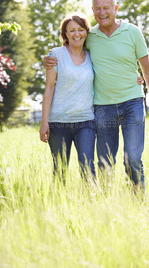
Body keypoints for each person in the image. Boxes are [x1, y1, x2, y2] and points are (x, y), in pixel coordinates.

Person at [43, 0, 149, 191]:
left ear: (115, 8)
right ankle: (103, 205)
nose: (102, 12)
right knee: (103, 163)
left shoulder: (130, 32)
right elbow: (69, 50)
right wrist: (47, 60)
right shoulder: (89, 37)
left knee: (132, 159)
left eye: (106, 7)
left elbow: (144, 69)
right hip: (102, 108)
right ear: (93, 10)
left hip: (127, 105)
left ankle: (138, 203)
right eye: (98, 8)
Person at [39, 13, 96, 180]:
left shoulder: (93, 56)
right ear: (65, 34)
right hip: (58, 123)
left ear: (86, 31)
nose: (76, 34)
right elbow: (49, 88)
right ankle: (58, 204)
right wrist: (44, 123)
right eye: (71, 30)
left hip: (86, 122)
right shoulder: (55, 55)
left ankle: (92, 203)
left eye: (80, 29)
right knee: (60, 170)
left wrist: (134, 78)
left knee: (88, 168)